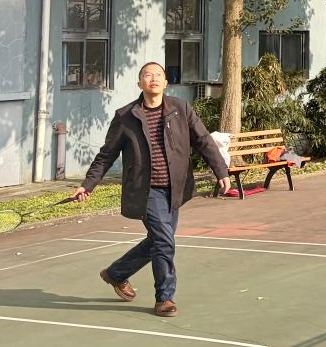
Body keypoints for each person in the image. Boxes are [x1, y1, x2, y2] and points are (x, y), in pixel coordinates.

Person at [73, 62, 230, 317]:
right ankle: (164, 298)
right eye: (148, 75)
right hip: (146, 191)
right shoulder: (126, 116)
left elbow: (204, 140)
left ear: (166, 83)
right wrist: (87, 185)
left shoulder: (181, 109)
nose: (153, 78)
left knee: (158, 241)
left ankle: (116, 273)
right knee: (165, 241)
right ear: (140, 83)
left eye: (158, 75)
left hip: (175, 189)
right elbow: (106, 155)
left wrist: (221, 171)